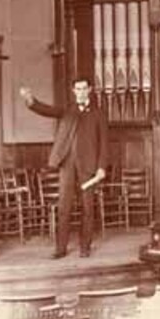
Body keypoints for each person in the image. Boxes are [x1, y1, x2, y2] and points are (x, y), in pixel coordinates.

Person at [20, 77, 108, 259]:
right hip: (67, 165)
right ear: (73, 91)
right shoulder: (68, 110)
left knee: (88, 209)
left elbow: (104, 144)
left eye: (84, 88)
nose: (81, 92)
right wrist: (31, 100)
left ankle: (85, 247)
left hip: (88, 167)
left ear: (90, 90)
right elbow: (47, 110)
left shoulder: (99, 114)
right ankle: (61, 248)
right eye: (78, 89)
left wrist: (101, 167)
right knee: (63, 208)